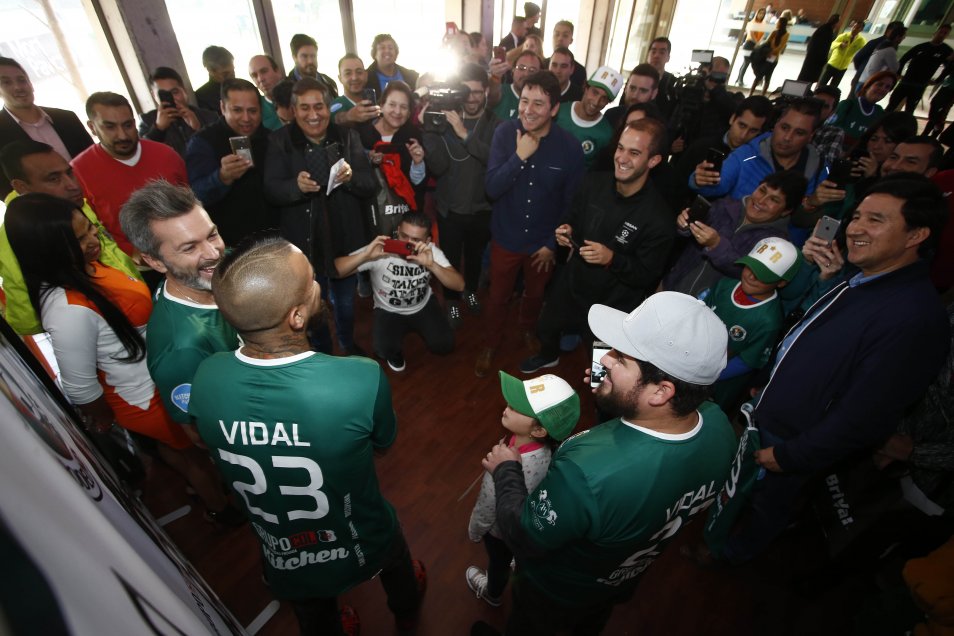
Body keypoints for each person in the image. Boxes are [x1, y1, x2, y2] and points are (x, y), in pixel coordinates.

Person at [707, 174, 951, 566]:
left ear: (916, 235)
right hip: (772, 417)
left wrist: (792, 455)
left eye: (876, 220)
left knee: (769, 505)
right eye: (857, 217)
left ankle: (730, 557)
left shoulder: (913, 318)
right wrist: (769, 385)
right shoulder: (860, 279)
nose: (855, 228)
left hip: (794, 442)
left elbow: (866, 416)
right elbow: (807, 341)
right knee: (744, 489)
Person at [188, 235, 425, 634]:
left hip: (283, 549)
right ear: (296, 317)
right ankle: (406, 607)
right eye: (311, 281)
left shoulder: (207, 375)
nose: (318, 285)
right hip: (361, 533)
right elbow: (383, 445)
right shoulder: (359, 378)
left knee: (313, 612)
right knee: (396, 562)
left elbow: (203, 439)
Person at [474, 292, 736, 636]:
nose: (606, 358)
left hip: (554, 594)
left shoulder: (587, 472)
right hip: (612, 583)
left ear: (661, 392)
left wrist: (507, 470)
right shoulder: (720, 428)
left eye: (622, 358)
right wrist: (612, 393)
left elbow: (524, 536)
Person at [5, 192, 238, 523]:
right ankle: (221, 511)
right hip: (146, 398)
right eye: (77, 240)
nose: (92, 241)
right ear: (48, 249)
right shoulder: (65, 310)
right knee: (193, 459)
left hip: (158, 377)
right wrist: (105, 419)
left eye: (90, 229)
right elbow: (81, 388)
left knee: (182, 455)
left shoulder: (87, 268)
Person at [520, 118, 675, 374]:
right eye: (620, 148)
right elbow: (571, 216)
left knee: (602, 369)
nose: (622, 158)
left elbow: (646, 275)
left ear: (653, 161)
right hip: (572, 284)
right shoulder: (593, 183)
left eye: (634, 153)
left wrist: (612, 258)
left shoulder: (659, 219)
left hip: (611, 304)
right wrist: (566, 230)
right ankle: (548, 356)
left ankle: (601, 394)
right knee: (546, 327)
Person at [475, 71, 584, 378]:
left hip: (542, 244)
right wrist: (519, 157)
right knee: (497, 297)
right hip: (506, 238)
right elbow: (492, 188)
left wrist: (551, 244)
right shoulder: (504, 133)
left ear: (554, 109)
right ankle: (490, 344)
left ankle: (526, 329)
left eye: (538, 103)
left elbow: (572, 204)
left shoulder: (570, 147)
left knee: (535, 296)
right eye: (524, 101)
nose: (528, 110)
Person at [264, 77, 378, 356]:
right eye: (304, 107)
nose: (313, 114)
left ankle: (348, 345)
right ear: (294, 110)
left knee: (346, 304)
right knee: (313, 308)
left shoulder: (347, 136)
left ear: (329, 108)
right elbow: (270, 190)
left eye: (319, 106)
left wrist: (351, 177)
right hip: (305, 244)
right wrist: (295, 187)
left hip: (345, 238)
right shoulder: (279, 141)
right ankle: (323, 353)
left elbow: (370, 184)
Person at [118, 181, 237, 444]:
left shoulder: (222, 266)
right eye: (189, 248)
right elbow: (199, 433)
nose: (213, 253)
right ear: (155, 261)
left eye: (212, 235)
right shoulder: (181, 349)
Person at [0, 140, 139, 336]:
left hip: (137, 308)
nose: (72, 185)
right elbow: (28, 321)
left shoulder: (73, 205)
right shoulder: (16, 239)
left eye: (69, 172)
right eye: (54, 179)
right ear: (22, 187)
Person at [466, 371, 579, 606]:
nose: (508, 406)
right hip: (525, 523)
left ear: (538, 431)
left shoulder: (503, 466)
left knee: (497, 563)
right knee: (512, 553)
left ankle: (493, 593)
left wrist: (475, 530)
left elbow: (488, 504)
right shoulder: (549, 451)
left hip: (500, 532)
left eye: (518, 407)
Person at [421, 63, 501, 327]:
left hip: (482, 209)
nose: (472, 98)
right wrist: (429, 129)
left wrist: (464, 134)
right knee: (450, 259)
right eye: (466, 92)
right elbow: (438, 166)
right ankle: (452, 301)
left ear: (486, 91)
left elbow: (495, 160)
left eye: (477, 92)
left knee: (475, 258)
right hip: (450, 208)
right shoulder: (444, 118)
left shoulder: (496, 124)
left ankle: (470, 291)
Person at [334, 211, 463, 372]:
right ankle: (394, 351)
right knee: (383, 349)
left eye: (416, 240)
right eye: (404, 236)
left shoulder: (430, 252)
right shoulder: (382, 249)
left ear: (427, 241)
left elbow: (459, 285)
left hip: (422, 306)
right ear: (398, 230)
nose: (408, 244)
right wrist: (365, 255)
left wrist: (432, 265)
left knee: (444, 345)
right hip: (388, 310)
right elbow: (336, 271)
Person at [71, 92, 188, 256]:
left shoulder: (167, 155)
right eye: (110, 127)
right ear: (92, 127)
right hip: (129, 263)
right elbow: (87, 229)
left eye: (127, 125)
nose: (122, 135)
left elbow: (189, 204)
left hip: (184, 249)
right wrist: (131, 254)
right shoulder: (78, 172)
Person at [666, 170, 806, 296]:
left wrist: (716, 245)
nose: (761, 200)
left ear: (786, 211)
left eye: (774, 200)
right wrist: (684, 225)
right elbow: (683, 237)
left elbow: (747, 275)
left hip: (708, 306)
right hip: (671, 287)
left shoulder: (776, 244)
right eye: (762, 191)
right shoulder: (724, 206)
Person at [702, 236, 802, 410]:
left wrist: (708, 375)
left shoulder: (768, 320)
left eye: (763, 275)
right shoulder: (726, 284)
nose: (751, 276)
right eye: (750, 266)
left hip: (717, 381)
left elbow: (747, 361)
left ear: (781, 282)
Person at [691, 98, 831, 209]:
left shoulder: (820, 168)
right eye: (784, 127)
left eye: (799, 133)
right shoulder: (745, 154)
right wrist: (699, 180)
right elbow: (716, 186)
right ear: (776, 124)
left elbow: (822, 218)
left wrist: (812, 204)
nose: (788, 137)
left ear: (811, 136)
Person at [186, 78, 274, 246]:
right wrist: (221, 177)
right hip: (231, 243)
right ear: (222, 107)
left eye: (253, 111)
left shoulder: (271, 138)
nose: (246, 118)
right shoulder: (203, 142)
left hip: (275, 236)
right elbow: (196, 195)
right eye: (237, 110)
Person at [0, 56, 93, 198]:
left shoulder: (67, 118)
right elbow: (4, 187)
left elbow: (91, 160)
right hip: (43, 208)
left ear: (30, 84)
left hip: (90, 197)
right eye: (6, 82)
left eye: (21, 80)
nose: (18, 87)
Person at [357, 81, 426, 237]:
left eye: (404, 107)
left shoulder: (413, 135)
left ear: (409, 112)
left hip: (405, 218)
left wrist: (418, 163)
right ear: (381, 105)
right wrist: (368, 161)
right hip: (370, 215)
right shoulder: (363, 133)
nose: (397, 111)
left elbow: (417, 183)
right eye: (392, 105)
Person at [139, 67, 219, 158]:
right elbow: (140, 155)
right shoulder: (147, 121)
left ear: (185, 91)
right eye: (163, 95)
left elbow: (221, 149)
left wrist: (199, 128)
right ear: (154, 96)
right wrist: (158, 130)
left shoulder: (209, 116)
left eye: (175, 92)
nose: (172, 99)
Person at [555, 66, 623, 168]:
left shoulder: (606, 135)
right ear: (585, 88)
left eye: (604, 98)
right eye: (595, 92)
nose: (596, 102)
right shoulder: (558, 111)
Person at [887, 24, 953, 115]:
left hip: (920, 85)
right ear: (936, 32)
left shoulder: (946, 50)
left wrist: (938, 80)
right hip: (906, 81)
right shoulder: (922, 47)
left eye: (945, 33)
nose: (942, 35)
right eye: (941, 32)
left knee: (909, 110)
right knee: (891, 106)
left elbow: (949, 67)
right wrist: (898, 73)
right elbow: (904, 59)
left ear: (947, 35)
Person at [827, 70, 896, 151]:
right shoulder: (847, 105)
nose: (883, 89)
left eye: (887, 87)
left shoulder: (880, 113)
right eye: (879, 84)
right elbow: (829, 131)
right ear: (868, 86)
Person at [849, 20, 905, 96]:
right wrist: (862, 69)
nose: (902, 38)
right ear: (889, 30)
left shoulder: (891, 46)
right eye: (897, 31)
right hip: (864, 79)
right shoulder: (878, 43)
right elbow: (857, 58)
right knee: (854, 101)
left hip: (873, 81)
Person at [330, 54, 381, 127]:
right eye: (348, 73)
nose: (354, 78)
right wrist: (348, 116)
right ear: (340, 78)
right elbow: (335, 118)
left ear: (366, 75)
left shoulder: (377, 101)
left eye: (359, 72)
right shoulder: (336, 104)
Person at [491, 50, 543, 120]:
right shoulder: (500, 91)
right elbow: (491, 95)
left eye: (532, 70)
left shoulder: (542, 99)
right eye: (521, 68)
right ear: (513, 70)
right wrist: (495, 76)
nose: (526, 74)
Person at [286, 33, 338, 98]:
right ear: (294, 58)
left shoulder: (329, 83)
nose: (310, 61)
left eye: (313, 56)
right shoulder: (286, 89)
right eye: (304, 56)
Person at [819, 20, 867, 87]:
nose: (854, 29)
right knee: (822, 83)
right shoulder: (843, 36)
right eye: (854, 26)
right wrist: (840, 44)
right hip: (833, 64)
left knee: (834, 86)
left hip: (843, 67)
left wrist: (857, 59)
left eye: (858, 28)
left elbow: (864, 51)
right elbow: (832, 45)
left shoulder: (861, 41)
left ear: (861, 29)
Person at [749, 17, 789, 96]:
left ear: (781, 23)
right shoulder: (774, 32)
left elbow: (780, 46)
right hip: (766, 56)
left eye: (778, 22)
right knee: (759, 75)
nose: (777, 23)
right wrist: (762, 49)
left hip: (773, 58)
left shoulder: (786, 34)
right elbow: (767, 42)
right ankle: (751, 93)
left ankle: (762, 95)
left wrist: (771, 52)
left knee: (768, 76)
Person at [248, 54, 287, 131]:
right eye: (254, 75)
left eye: (264, 71)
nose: (260, 79)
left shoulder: (299, 98)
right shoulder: (254, 109)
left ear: (277, 71)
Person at [798, 14, 840, 84]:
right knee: (808, 79)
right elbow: (823, 47)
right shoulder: (827, 31)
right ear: (836, 23)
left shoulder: (823, 28)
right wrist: (824, 59)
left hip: (812, 58)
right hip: (816, 60)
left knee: (805, 78)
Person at [810, 85, 846, 165]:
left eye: (825, 106)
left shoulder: (833, 132)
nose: (818, 109)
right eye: (815, 103)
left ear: (832, 112)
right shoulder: (791, 121)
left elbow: (825, 164)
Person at [194, 45, 235, 112]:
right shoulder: (202, 97)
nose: (232, 76)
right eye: (225, 74)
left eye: (233, 71)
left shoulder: (243, 87)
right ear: (210, 71)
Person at [647, 37, 678, 121]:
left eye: (662, 52)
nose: (656, 56)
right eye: (653, 51)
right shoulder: (637, 76)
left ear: (668, 58)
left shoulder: (672, 81)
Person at [548, 21, 587, 88]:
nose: (560, 39)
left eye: (565, 36)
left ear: (571, 40)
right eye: (557, 35)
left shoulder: (580, 71)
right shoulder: (542, 64)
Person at [736, 8, 768, 85]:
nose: (761, 15)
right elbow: (751, 34)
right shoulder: (752, 22)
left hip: (757, 45)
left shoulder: (763, 24)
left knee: (755, 63)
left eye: (763, 13)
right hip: (749, 44)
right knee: (746, 63)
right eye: (760, 13)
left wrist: (759, 43)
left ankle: (758, 80)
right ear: (757, 13)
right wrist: (757, 42)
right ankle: (740, 80)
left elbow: (763, 34)